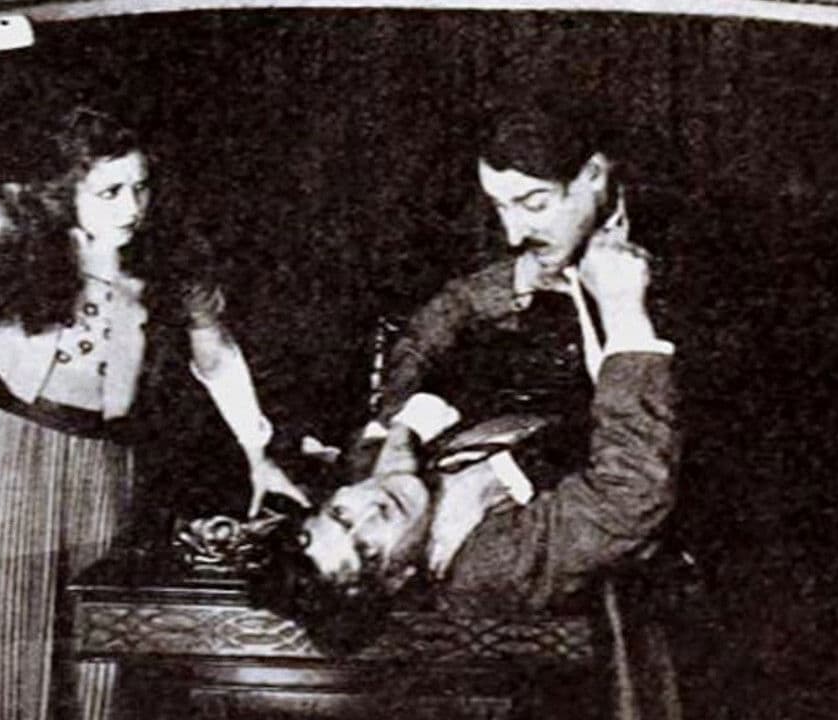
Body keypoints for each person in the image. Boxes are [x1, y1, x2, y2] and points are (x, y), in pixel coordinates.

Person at [0, 34, 308, 720]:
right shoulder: (19, 218)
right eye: (110, 191)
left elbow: (216, 356)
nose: (132, 207)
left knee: (96, 662)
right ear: (67, 190)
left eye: (141, 187)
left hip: (106, 467)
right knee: (0, 656)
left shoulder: (171, 258)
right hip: (10, 458)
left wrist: (257, 452)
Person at [255, 104, 681, 718]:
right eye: (369, 549)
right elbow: (634, 490)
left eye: (341, 514)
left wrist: (512, 285)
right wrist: (623, 313)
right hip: (679, 430)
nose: (371, 511)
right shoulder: (483, 566)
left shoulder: (376, 470)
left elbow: (415, 349)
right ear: (398, 581)